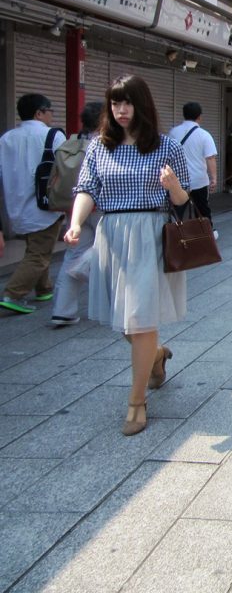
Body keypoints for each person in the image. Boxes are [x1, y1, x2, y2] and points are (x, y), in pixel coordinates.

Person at [64, 75, 190, 436]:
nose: (121, 110)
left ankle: (136, 402)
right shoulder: (99, 146)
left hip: (150, 236)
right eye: (116, 103)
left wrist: (175, 188)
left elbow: (185, 202)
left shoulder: (167, 147)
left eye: (128, 102)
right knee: (127, 324)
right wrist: (75, 224)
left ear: (142, 105)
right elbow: (87, 188)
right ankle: (157, 355)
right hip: (113, 238)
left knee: (138, 320)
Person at [0, 93, 66, 314]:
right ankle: (12, 294)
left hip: (16, 205)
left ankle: (43, 288)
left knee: (36, 247)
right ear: (39, 112)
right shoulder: (53, 136)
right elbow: (68, 168)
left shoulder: (7, 138)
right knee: (38, 253)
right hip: (44, 206)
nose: (51, 115)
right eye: (50, 111)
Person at [50, 101, 103, 326]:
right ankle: (113, 307)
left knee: (71, 257)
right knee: (110, 254)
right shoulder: (105, 145)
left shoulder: (72, 143)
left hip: (76, 210)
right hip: (102, 208)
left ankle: (63, 310)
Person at [168, 102, 218, 229]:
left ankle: (174, 234)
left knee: (176, 211)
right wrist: (214, 179)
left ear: (183, 115)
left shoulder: (173, 133)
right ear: (199, 117)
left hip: (178, 181)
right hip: (199, 181)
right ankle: (207, 233)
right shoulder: (204, 135)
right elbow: (210, 158)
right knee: (202, 210)